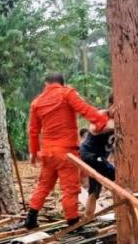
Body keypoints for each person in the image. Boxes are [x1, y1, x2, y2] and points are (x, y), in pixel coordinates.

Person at [25, 73, 108, 229]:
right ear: (62, 83)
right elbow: (85, 110)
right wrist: (101, 121)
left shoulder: (37, 102)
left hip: (48, 153)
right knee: (69, 189)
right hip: (66, 153)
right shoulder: (67, 93)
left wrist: (33, 152)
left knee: (43, 185)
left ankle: (31, 218)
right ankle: (73, 223)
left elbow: (33, 131)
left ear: (46, 83)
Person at [80, 95, 116, 219]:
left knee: (94, 191)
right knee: (116, 177)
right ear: (110, 105)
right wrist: (113, 126)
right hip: (90, 154)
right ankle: (122, 211)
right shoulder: (102, 115)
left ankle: (87, 218)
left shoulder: (124, 119)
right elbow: (94, 129)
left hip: (100, 157)